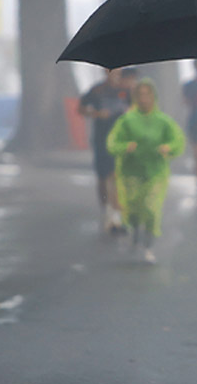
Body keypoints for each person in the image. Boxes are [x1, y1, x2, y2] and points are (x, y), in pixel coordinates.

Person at [106, 78, 185, 264]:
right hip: (130, 173)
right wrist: (126, 146)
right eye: (140, 95)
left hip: (155, 174)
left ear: (153, 97)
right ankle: (134, 234)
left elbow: (178, 141)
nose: (144, 98)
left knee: (151, 210)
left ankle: (148, 246)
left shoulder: (163, 121)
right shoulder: (126, 121)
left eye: (147, 94)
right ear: (134, 98)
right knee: (132, 210)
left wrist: (168, 147)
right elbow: (112, 143)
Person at [79, 67, 137, 235]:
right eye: (111, 71)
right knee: (103, 177)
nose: (114, 74)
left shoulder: (126, 91)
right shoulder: (97, 90)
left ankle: (116, 216)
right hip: (101, 138)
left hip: (120, 140)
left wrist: (129, 113)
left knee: (115, 176)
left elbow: (136, 108)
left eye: (118, 72)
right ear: (105, 72)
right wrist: (96, 113)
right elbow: (81, 108)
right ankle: (106, 210)